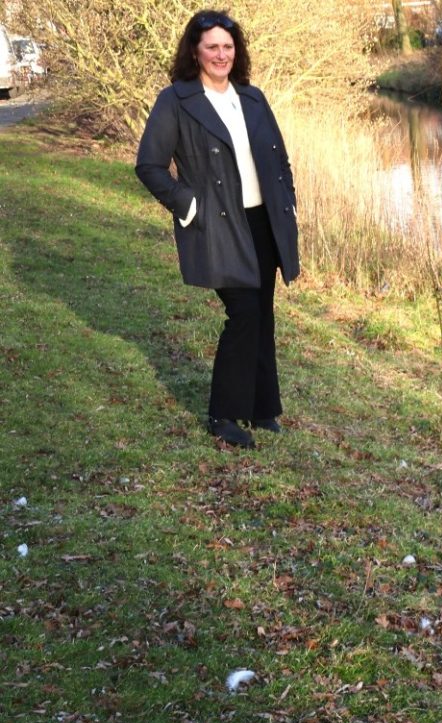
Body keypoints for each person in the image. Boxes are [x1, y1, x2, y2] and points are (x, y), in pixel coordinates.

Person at [136, 9, 300, 449]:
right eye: (212, 46)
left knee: (262, 312)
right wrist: (187, 204)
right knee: (243, 313)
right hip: (219, 224)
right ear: (195, 50)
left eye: (228, 46)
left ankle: (263, 408)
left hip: (263, 221)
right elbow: (149, 165)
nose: (221, 54)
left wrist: (289, 204)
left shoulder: (252, 97)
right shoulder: (176, 100)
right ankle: (223, 414)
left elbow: (278, 158)